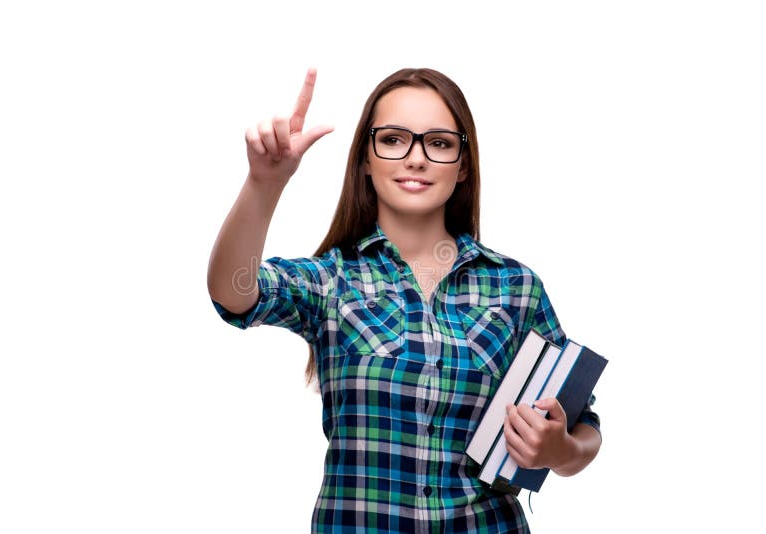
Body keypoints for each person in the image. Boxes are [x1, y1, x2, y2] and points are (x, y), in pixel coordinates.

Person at [207, 68, 602, 533]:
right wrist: (264, 183)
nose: (416, 158)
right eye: (394, 139)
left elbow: (584, 424)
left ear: (463, 164)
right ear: (366, 160)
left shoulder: (514, 287)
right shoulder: (333, 282)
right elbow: (234, 293)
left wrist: (560, 451)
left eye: (438, 143)